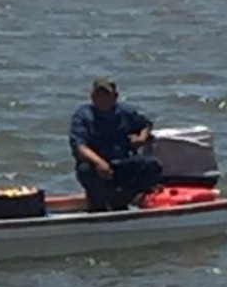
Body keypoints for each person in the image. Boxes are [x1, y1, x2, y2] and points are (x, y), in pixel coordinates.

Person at [68, 77, 163, 212]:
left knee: (152, 166)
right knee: (85, 171)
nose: (101, 99)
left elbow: (145, 125)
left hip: (122, 163)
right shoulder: (83, 115)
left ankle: (120, 201)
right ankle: (98, 208)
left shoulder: (125, 112)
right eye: (97, 95)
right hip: (97, 167)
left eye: (106, 95)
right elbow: (79, 145)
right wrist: (100, 162)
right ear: (91, 96)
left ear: (115, 96)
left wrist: (141, 138)